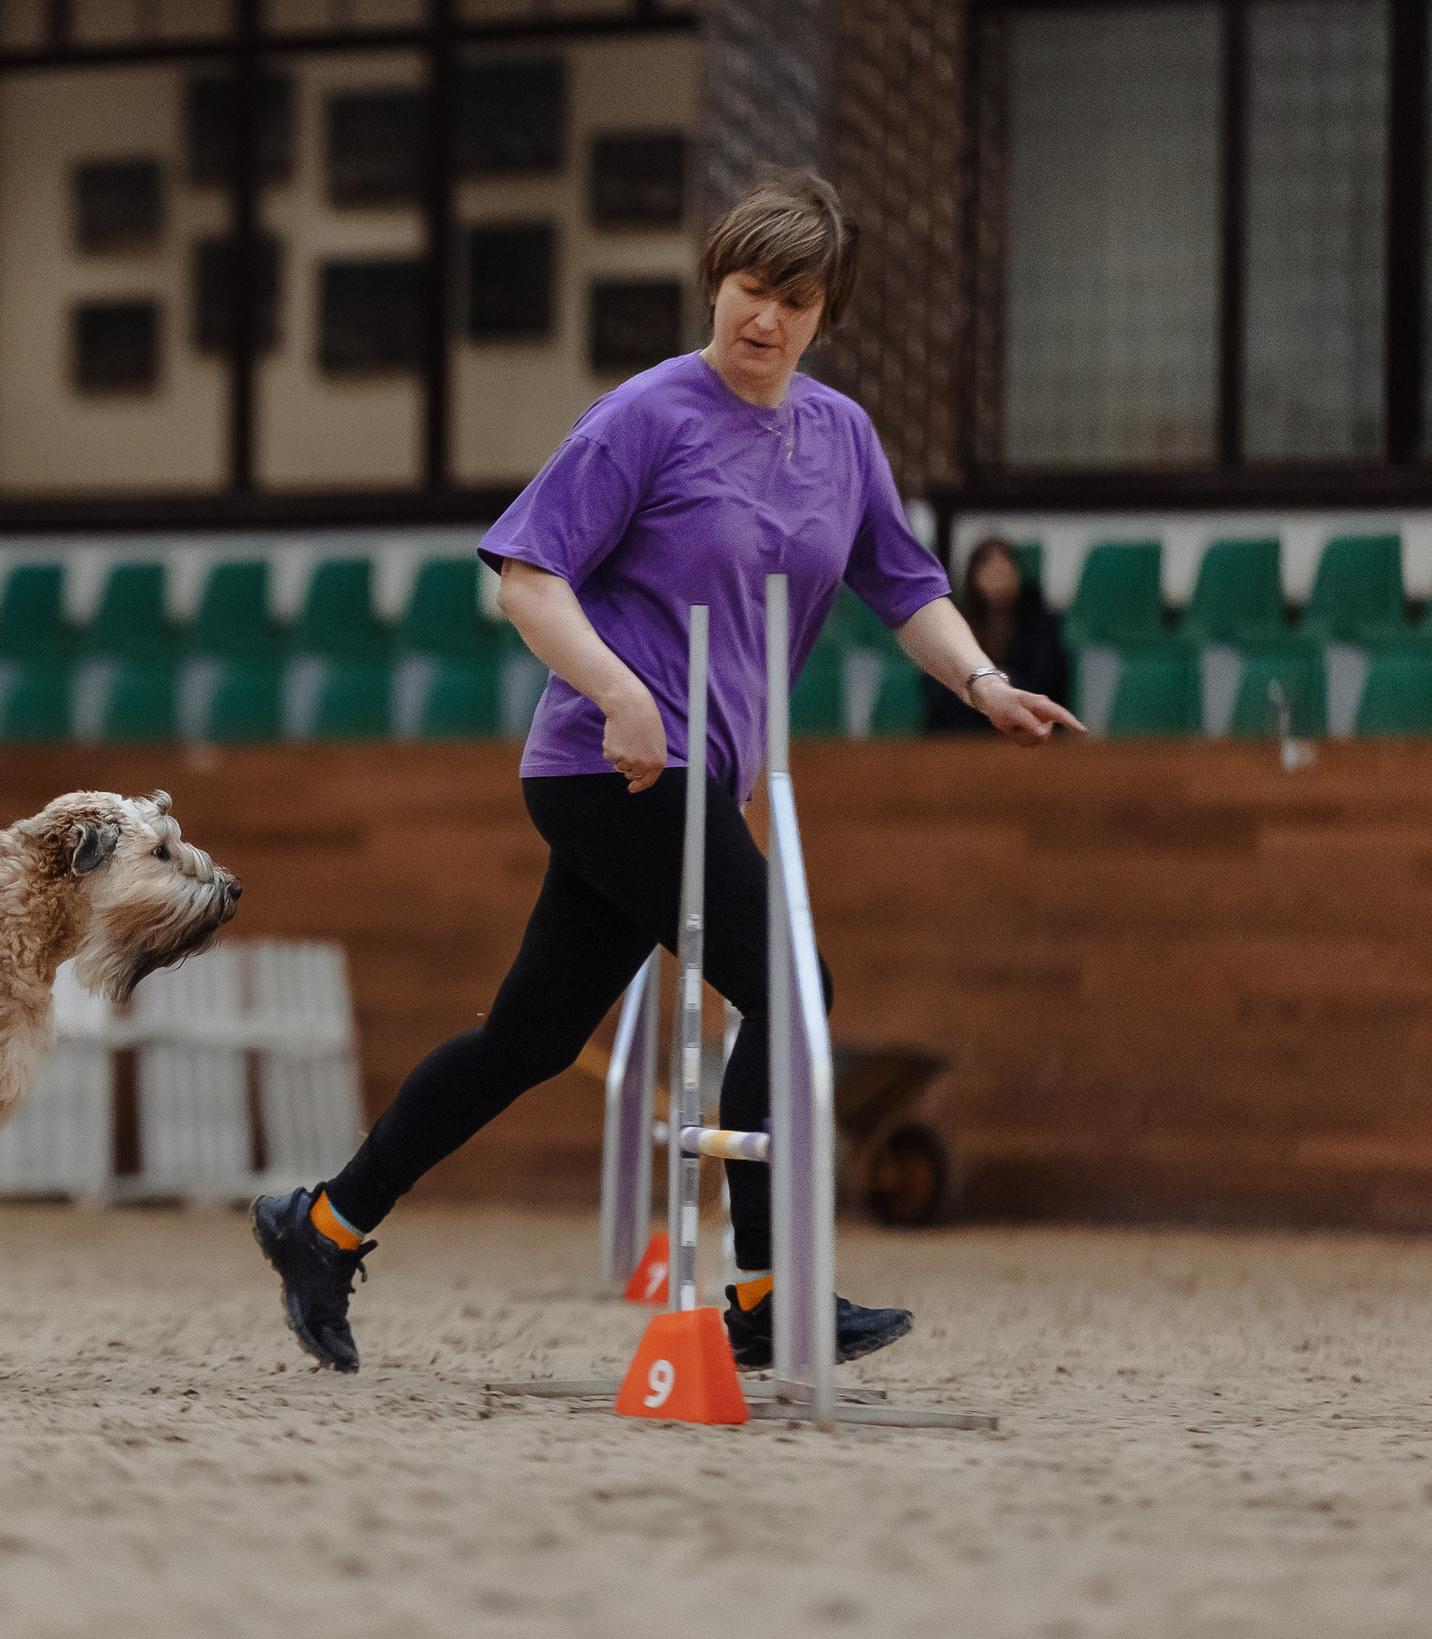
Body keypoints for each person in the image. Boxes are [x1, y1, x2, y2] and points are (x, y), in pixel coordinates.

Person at [252, 170, 1083, 1374]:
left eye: (796, 302)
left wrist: (980, 681)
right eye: (752, 289)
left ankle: (322, 1225)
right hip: (610, 765)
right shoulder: (642, 415)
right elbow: (527, 577)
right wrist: (619, 691)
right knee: (794, 987)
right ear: (716, 284)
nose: (768, 319)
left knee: (528, 1041)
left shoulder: (839, 435)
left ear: (823, 316)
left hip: (694, 778)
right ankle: (760, 1295)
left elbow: (904, 586)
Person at [922, 537, 1069, 735]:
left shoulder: (1042, 625)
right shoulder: (955, 625)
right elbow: (939, 688)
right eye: (990, 573)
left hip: (1027, 731)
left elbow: (1045, 682)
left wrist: (993, 689)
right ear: (973, 577)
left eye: (1004, 572)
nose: (998, 581)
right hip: (965, 735)